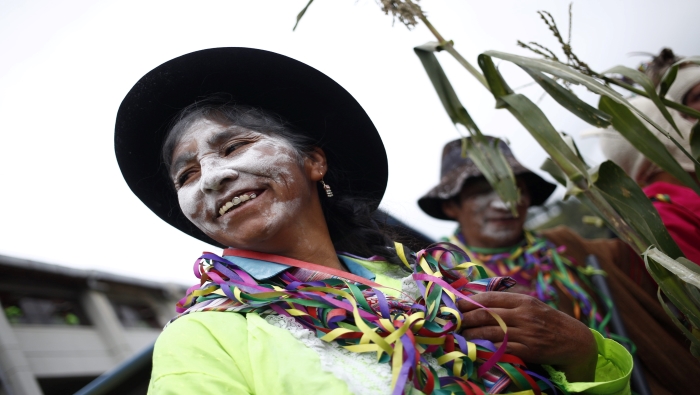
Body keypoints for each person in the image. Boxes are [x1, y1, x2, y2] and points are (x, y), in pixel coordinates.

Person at [115, 48, 631, 394]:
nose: (211, 177)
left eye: (235, 146)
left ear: (314, 163)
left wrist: (584, 353)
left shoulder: (436, 286)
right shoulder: (205, 338)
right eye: (186, 174)